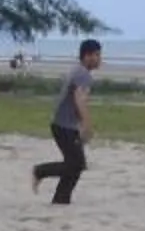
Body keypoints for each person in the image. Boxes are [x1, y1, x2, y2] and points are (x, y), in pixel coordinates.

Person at [34, 39, 103, 204]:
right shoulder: (83, 74)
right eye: (97, 55)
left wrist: (80, 125)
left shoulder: (78, 71)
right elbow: (80, 99)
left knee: (76, 164)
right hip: (64, 126)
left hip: (64, 125)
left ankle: (61, 199)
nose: (100, 59)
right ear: (87, 56)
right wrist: (87, 126)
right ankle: (40, 171)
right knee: (76, 164)